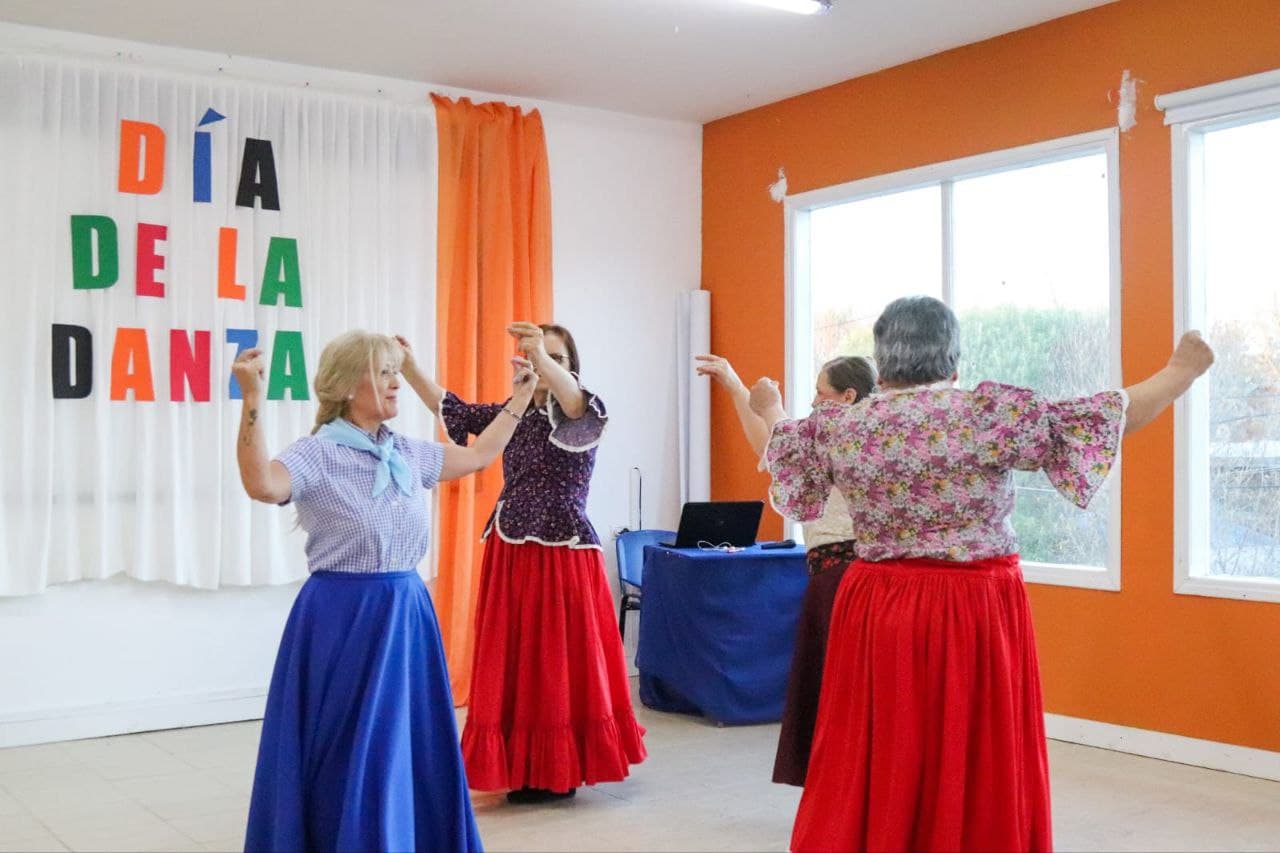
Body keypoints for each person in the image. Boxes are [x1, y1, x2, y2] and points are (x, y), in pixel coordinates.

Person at [751, 296, 1214, 852]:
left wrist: (770, 405)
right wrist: (1177, 374)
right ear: (952, 359)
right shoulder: (986, 416)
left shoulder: (844, 427)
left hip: (876, 602)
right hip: (972, 604)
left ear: (883, 361)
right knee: (972, 743)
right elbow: (1105, 418)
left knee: (878, 740)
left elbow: (785, 445)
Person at [238, 330, 536, 852]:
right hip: (342, 618)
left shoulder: (406, 452)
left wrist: (520, 399)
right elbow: (262, 483)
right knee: (350, 748)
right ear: (345, 386)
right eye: (383, 373)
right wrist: (252, 402)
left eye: (395, 371)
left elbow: (480, 457)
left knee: (402, 746)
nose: (396, 383)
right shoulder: (317, 453)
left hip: (406, 613)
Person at [400, 322, 646, 804]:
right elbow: (451, 408)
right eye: (533, 354)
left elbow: (571, 397)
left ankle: (560, 767)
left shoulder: (584, 411)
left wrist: (542, 358)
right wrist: (409, 367)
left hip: (562, 555)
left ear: (570, 367)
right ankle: (522, 762)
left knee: (555, 660)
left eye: (555, 357)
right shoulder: (511, 415)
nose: (541, 363)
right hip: (511, 551)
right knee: (515, 659)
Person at [695, 352, 875, 787]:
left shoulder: (854, 438)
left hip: (846, 577)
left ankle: (849, 781)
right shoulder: (831, 438)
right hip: (831, 574)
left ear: (848, 396)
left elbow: (778, 437)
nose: (813, 401)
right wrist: (735, 386)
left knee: (845, 690)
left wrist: (764, 402)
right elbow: (772, 447)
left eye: (819, 392)